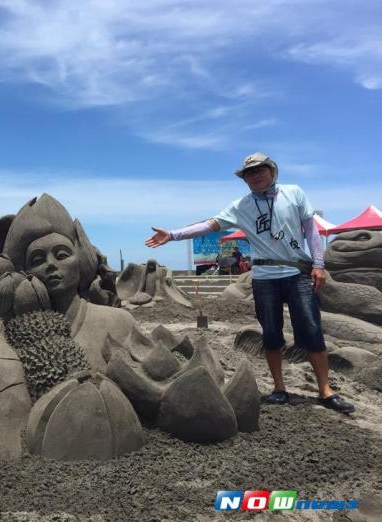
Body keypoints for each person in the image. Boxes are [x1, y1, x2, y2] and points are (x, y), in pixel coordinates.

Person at [144, 152, 354, 415]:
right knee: (271, 333)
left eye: (259, 170)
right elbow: (209, 225)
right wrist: (173, 235)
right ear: (244, 179)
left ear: (272, 171)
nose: (254, 176)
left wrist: (319, 264)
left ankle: (325, 390)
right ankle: (279, 389)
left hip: (297, 272)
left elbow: (311, 230)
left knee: (311, 330)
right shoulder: (239, 206)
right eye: (249, 173)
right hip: (265, 277)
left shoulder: (294, 193)